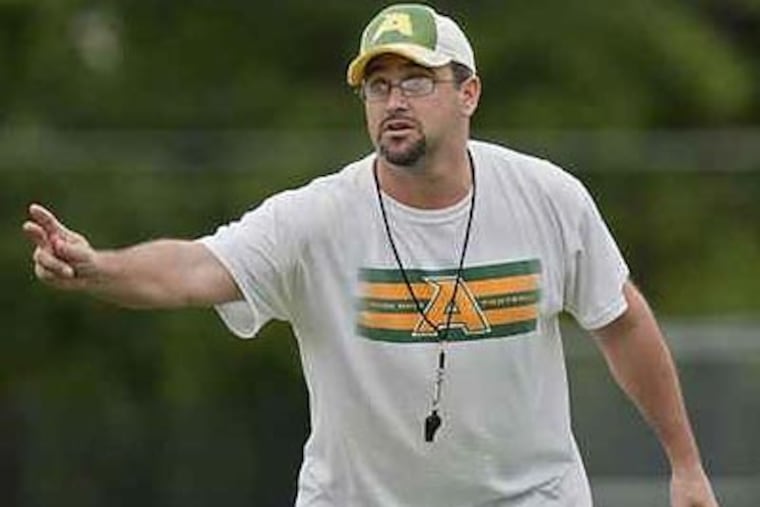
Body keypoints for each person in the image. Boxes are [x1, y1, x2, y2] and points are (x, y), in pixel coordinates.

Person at [23, 4, 719, 507]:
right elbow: (195, 270)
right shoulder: (318, 217)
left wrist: (685, 463)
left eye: (416, 81)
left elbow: (621, 320)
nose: (394, 101)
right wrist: (98, 266)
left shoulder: (547, 198)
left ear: (467, 93)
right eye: (378, 86)